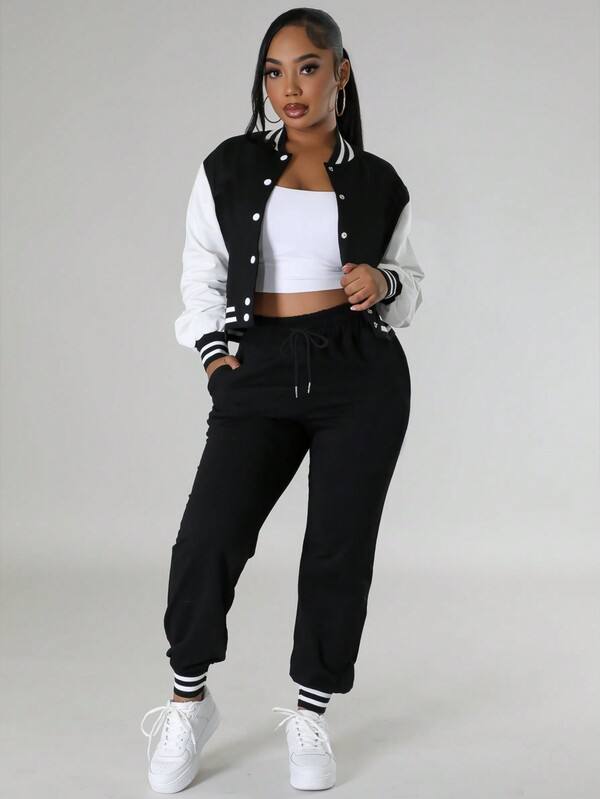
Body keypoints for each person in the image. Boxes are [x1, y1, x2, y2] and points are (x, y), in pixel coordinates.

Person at [140, 8, 424, 793]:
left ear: (340, 71)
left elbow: (408, 286)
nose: (289, 88)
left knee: (337, 548)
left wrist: (383, 282)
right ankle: (188, 700)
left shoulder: (379, 182)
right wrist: (215, 358)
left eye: (307, 67)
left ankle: (311, 711)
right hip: (258, 368)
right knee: (208, 537)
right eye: (274, 71)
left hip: (358, 376)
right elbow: (201, 265)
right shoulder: (229, 167)